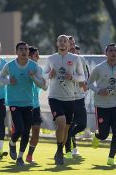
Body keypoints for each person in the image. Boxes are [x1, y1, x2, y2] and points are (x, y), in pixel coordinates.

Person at [0, 41, 45, 166]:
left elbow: (42, 84)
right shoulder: (10, 66)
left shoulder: (34, 67)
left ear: (28, 52)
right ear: (16, 52)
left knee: (26, 131)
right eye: (21, 49)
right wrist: (9, 81)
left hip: (29, 103)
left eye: (26, 49)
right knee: (19, 129)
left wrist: (34, 78)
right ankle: (12, 143)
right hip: (14, 103)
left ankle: (20, 157)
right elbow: (0, 78)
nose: (24, 51)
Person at [43, 35, 85, 165]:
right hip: (55, 97)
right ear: (57, 44)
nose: (62, 43)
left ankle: (59, 150)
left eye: (65, 41)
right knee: (61, 122)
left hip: (70, 98)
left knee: (66, 128)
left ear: (69, 44)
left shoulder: (75, 58)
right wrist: (49, 75)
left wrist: (72, 77)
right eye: (60, 41)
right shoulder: (51, 58)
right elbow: (43, 74)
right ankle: (60, 151)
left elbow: (82, 77)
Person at [88, 43, 116, 166]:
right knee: (104, 135)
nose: (113, 53)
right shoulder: (99, 68)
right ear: (106, 53)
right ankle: (97, 136)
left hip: (115, 106)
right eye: (111, 51)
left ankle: (111, 158)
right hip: (101, 106)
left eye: (115, 51)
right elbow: (89, 83)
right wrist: (99, 91)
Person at [64, 36, 89, 158]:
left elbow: (85, 76)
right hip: (66, 97)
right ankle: (69, 149)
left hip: (79, 97)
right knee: (69, 124)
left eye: (74, 43)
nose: (73, 46)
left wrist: (84, 83)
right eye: (70, 44)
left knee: (82, 124)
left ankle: (66, 137)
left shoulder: (81, 59)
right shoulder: (60, 59)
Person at [26, 46, 47, 163]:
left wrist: (43, 82)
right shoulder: (22, 68)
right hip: (23, 106)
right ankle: (14, 146)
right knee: (23, 132)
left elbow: (45, 87)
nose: (38, 57)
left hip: (35, 106)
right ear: (29, 56)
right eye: (36, 55)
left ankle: (29, 155)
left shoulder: (39, 69)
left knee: (36, 131)